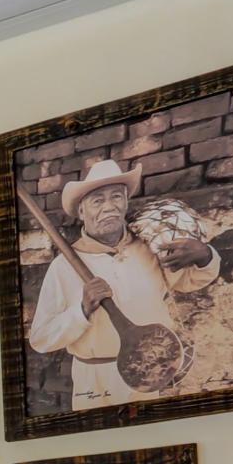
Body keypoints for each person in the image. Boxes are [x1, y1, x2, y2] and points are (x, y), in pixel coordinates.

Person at [24, 157, 189, 410]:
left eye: (116, 197)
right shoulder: (63, 267)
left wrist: (205, 256)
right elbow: (41, 338)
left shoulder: (151, 248)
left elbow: (191, 280)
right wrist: (82, 310)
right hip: (96, 384)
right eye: (97, 200)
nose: (109, 206)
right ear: (82, 212)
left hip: (154, 374)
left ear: (126, 203)